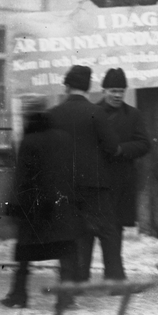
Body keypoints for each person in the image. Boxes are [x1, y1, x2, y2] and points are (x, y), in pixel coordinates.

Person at [1, 96, 81, 308]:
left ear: (28, 116)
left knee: (24, 253)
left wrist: (13, 208)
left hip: (35, 208)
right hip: (61, 205)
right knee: (65, 250)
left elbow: (21, 179)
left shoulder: (29, 141)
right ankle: (65, 298)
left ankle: (19, 295)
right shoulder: (64, 138)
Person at [50, 65, 120, 283]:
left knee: (70, 231)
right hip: (94, 183)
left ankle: (74, 277)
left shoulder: (53, 114)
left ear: (67, 86)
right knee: (107, 231)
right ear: (88, 87)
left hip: (63, 184)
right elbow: (112, 147)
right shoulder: (96, 112)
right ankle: (115, 278)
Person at [96, 68, 152, 279]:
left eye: (121, 91)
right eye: (113, 90)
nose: (117, 95)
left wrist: (121, 149)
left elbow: (144, 144)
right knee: (93, 229)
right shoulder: (93, 112)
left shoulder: (133, 115)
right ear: (104, 90)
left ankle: (113, 274)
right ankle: (83, 276)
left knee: (115, 229)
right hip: (98, 179)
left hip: (122, 180)